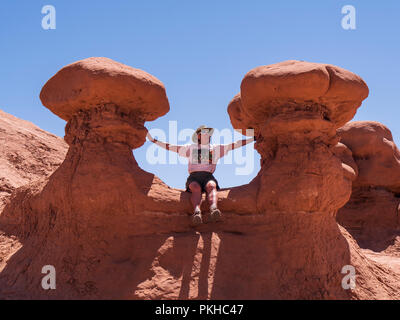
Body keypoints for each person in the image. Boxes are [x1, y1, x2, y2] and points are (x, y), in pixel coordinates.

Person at [147, 125, 255, 226]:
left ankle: (214, 209)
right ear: (198, 136)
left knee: (211, 186)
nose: (206, 134)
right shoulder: (190, 148)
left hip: (208, 176)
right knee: (195, 188)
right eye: (203, 133)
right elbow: (170, 147)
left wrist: (252, 138)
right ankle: (197, 212)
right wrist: (154, 140)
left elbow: (235, 145)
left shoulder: (215, 148)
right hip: (194, 177)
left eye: (208, 133)